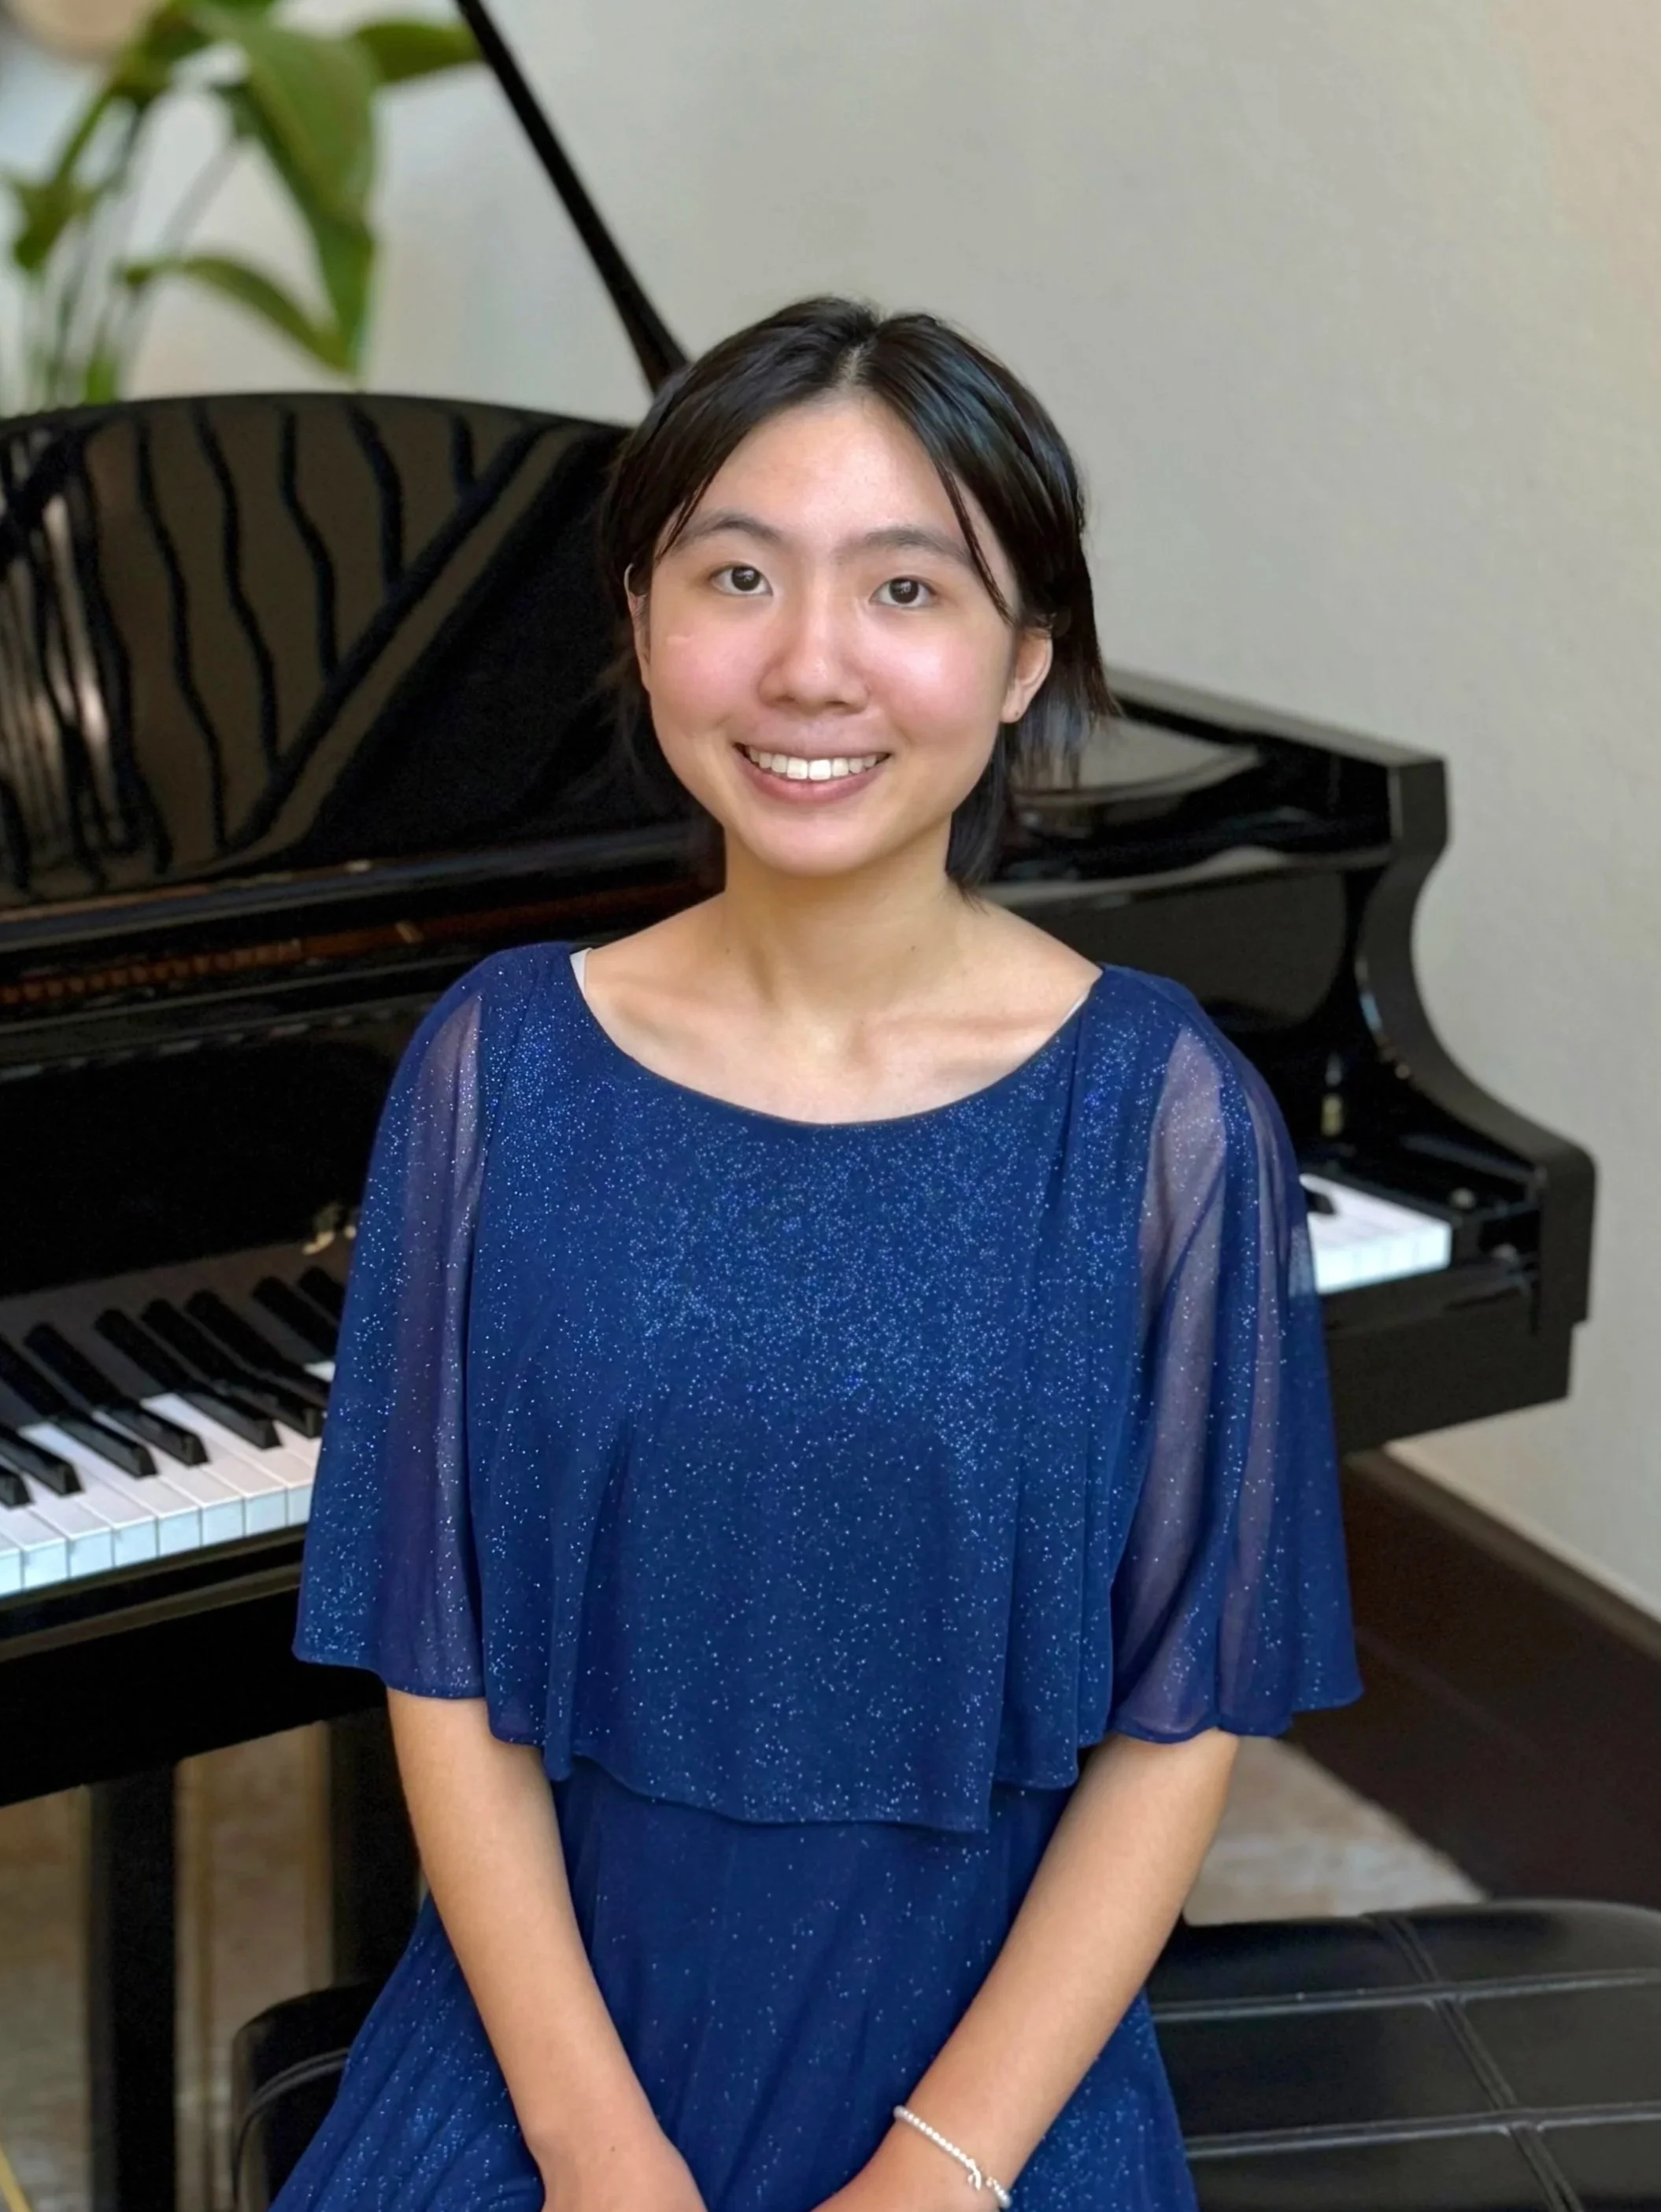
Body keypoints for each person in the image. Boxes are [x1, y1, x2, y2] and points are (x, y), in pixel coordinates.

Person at [278, 294, 1363, 2212]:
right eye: (736, 575)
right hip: (551, 2041)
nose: (805, 665)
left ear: (1023, 658)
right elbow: (434, 1658)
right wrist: (594, 2150)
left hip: (982, 2083)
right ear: (641, 619)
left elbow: (1175, 1716)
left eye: (905, 591)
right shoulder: (494, 1065)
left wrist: (936, 2172)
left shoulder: (1159, 1118)